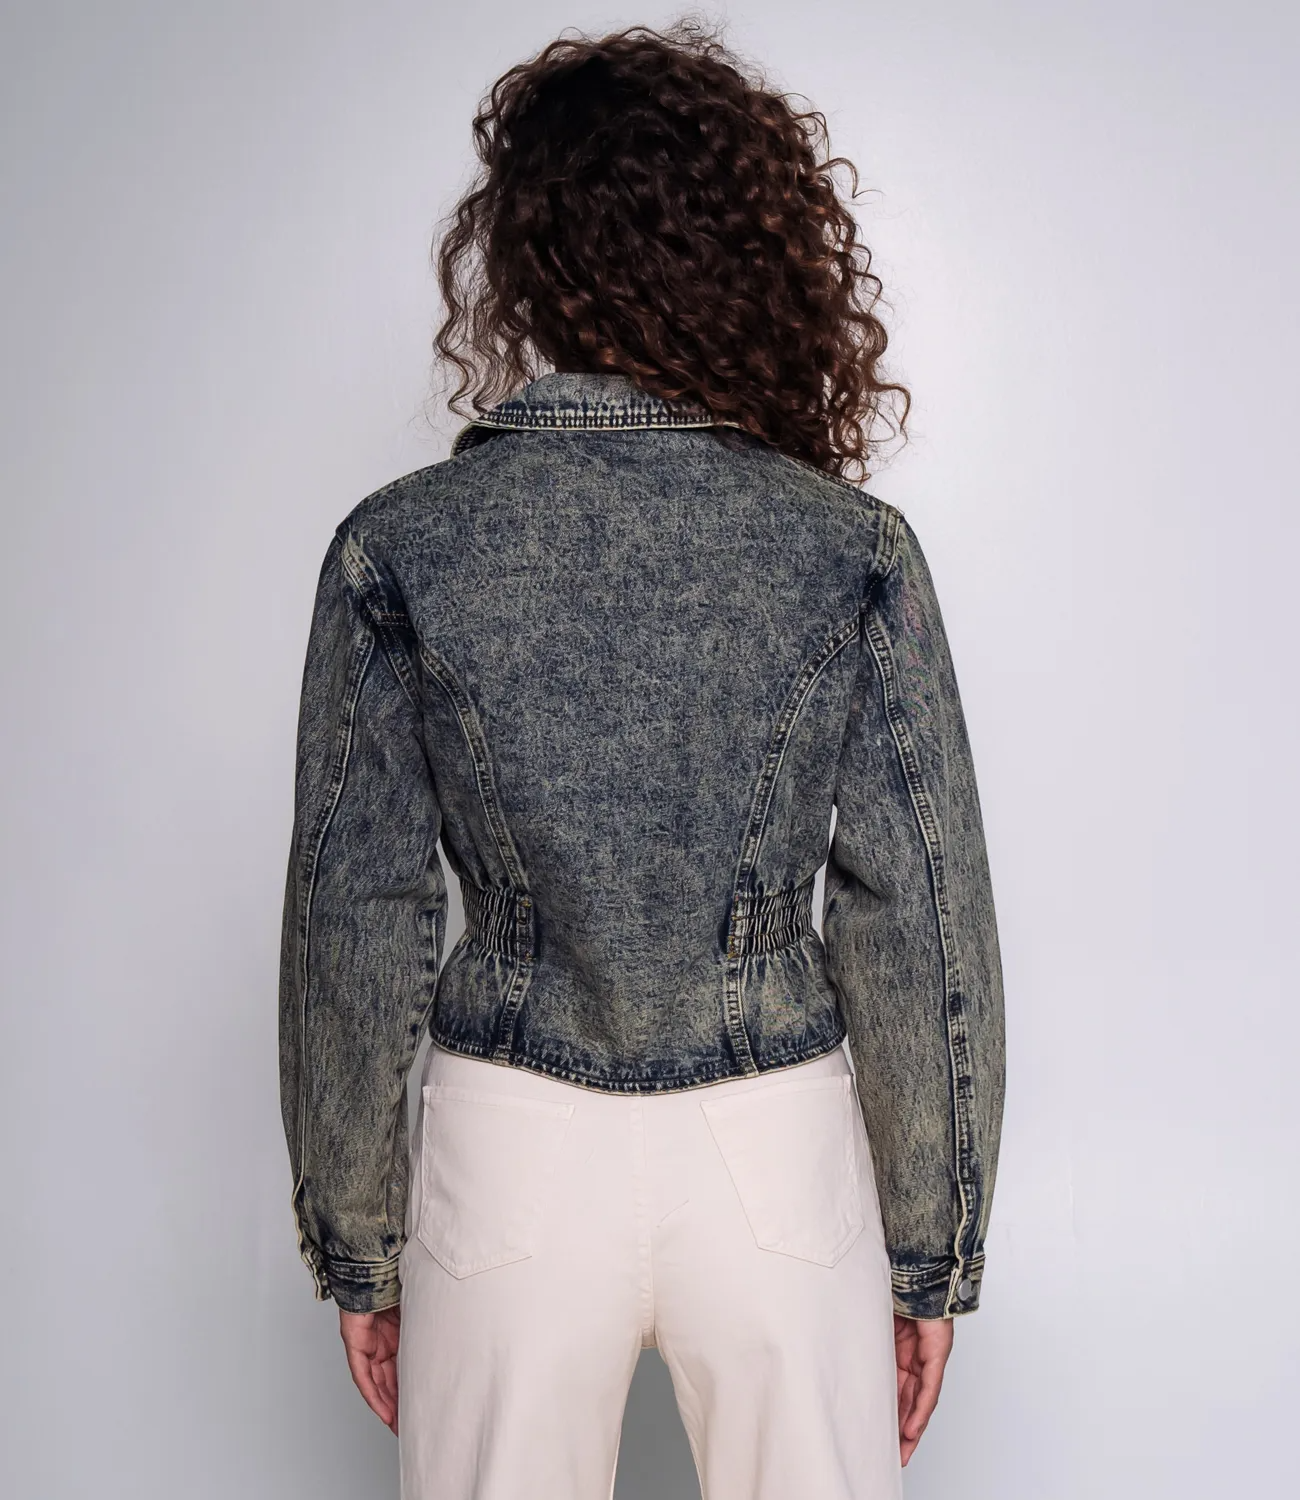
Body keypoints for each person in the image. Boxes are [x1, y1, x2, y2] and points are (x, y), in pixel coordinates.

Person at [278, 21, 1005, 1500]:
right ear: (745, 252)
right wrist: (928, 1256)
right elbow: (917, 912)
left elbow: (355, 915)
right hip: (776, 1154)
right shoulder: (847, 547)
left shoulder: (400, 546)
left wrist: (360, 1244)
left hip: (511, 1156)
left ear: (525, 262)